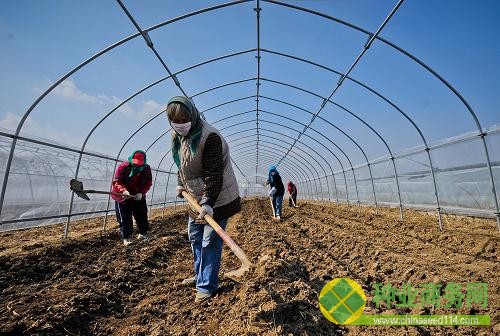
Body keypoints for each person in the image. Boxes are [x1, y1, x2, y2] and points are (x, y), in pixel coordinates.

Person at [166, 96, 241, 303]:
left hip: (218, 197)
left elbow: (215, 173)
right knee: (195, 237)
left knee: (209, 241)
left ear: (193, 114)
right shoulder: (176, 136)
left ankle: (207, 285)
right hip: (195, 197)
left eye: (184, 119)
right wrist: (180, 182)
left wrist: (208, 202)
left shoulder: (210, 137)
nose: (180, 124)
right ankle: (200, 275)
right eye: (176, 120)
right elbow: (179, 162)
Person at [111, 150, 153, 246]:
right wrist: (123, 191)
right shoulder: (124, 167)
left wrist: (141, 193)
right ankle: (127, 236)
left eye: (140, 164)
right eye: (135, 164)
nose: (137, 166)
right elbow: (117, 181)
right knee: (125, 216)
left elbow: (148, 182)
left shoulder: (146, 169)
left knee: (142, 214)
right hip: (123, 196)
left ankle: (143, 233)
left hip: (138, 195)